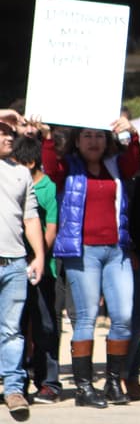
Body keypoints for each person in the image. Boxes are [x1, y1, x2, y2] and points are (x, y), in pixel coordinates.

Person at [40, 116, 140, 408]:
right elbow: (50, 166)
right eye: (87, 135)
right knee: (85, 319)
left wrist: (131, 134)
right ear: (77, 140)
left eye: (99, 135)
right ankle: (84, 389)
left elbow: (133, 163)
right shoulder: (68, 167)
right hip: (83, 252)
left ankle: (113, 382)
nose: (93, 141)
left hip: (116, 251)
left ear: (107, 139)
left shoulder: (115, 166)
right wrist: (47, 136)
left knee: (122, 317)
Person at [0, 120, 45, 416]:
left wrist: (39, 255)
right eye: (1, 132)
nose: (6, 137)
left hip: (15, 261)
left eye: (9, 132)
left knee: (12, 330)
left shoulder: (21, 173)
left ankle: (14, 388)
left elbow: (30, 218)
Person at [12, 136, 59, 405]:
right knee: (14, 326)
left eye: (16, 164)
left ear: (30, 163)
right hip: (13, 263)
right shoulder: (12, 184)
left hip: (41, 268)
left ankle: (48, 382)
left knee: (44, 325)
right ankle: (16, 382)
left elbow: (50, 226)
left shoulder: (47, 188)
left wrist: (38, 255)